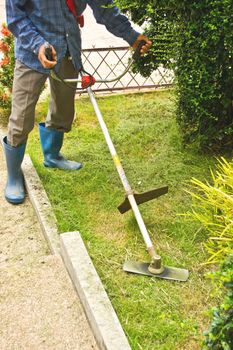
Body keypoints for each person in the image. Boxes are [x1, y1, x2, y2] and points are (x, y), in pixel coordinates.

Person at [4, 0, 152, 205]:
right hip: (33, 54)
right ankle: (13, 176)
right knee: (21, 116)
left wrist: (132, 37)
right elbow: (15, 18)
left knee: (63, 109)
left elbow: (105, 9)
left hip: (68, 49)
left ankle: (52, 156)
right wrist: (38, 45)